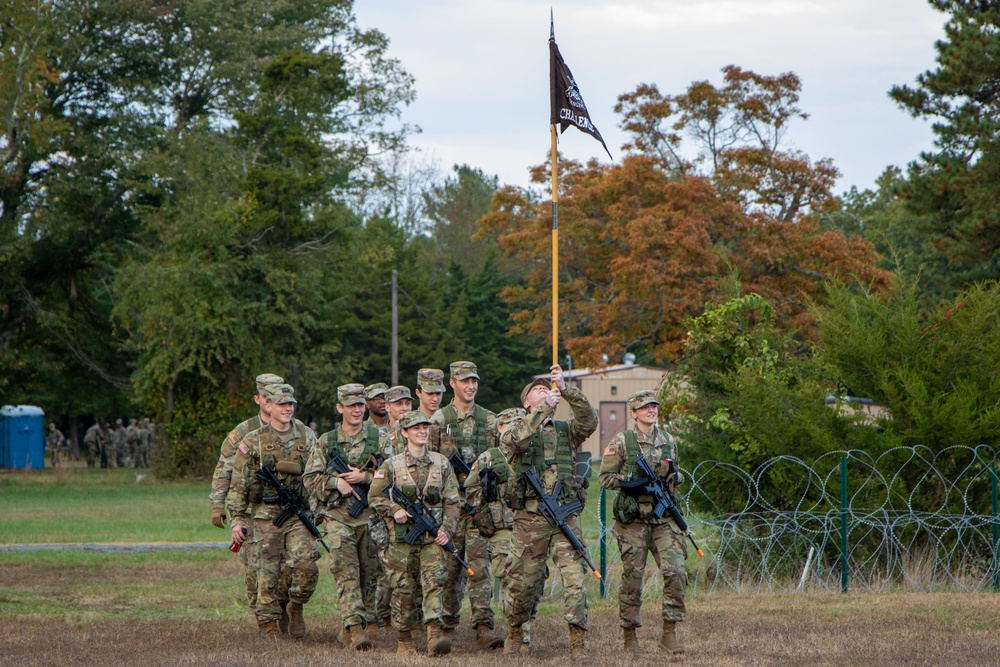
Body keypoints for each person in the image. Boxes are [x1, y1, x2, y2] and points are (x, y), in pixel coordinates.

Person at [500, 364, 598, 658]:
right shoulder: (517, 427)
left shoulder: (567, 431)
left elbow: (589, 421)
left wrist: (566, 390)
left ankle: (577, 641)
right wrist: (542, 410)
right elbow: (514, 441)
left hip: (564, 517)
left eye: (547, 388)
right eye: (537, 390)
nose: (544, 391)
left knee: (575, 582)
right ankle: (516, 630)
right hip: (531, 520)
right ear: (527, 403)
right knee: (523, 585)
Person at [227, 383, 321, 639]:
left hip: (298, 513)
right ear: (269, 406)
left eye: (291, 404)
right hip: (264, 515)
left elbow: (317, 475)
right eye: (282, 404)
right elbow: (239, 484)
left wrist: (318, 508)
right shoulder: (253, 440)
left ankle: (295, 604)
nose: (287, 409)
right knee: (266, 572)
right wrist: (237, 519)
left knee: (306, 565)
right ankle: (269, 627)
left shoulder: (307, 436)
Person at [599, 390, 687, 655]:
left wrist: (672, 476)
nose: (652, 410)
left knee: (676, 571)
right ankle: (630, 636)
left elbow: (678, 474)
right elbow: (604, 478)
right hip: (633, 521)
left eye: (654, 406)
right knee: (632, 578)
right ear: (634, 412)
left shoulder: (668, 440)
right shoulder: (622, 441)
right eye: (646, 407)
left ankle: (669, 634)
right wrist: (631, 484)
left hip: (663, 519)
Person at [303, 383, 390, 651]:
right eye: (351, 406)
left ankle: (351, 626)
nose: (356, 410)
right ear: (340, 407)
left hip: (371, 518)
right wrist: (334, 483)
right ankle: (354, 629)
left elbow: (394, 474)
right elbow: (309, 479)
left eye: (360, 405)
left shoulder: (380, 439)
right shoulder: (327, 441)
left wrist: (365, 477)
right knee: (346, 571)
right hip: (338, 516)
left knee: (369, 574)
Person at [369, 410, 461, 656]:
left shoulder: (442, 463)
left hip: (433, 538)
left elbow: (452, 502)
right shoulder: (390, 465)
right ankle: (404, 639)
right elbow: (374, 497)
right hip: (402, 540)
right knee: (403, 589)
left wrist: (447, 530)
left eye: (425, 427)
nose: (422, 431)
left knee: (434, 584)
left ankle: (433, 635)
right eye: (416, 428)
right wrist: (394, 508)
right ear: (404, 433)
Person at [428, 360, 503, 649]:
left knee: (480, 569)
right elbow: (429, 463)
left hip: (480, 510)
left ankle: (483, 627)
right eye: (464, 381)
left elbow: (500, 461)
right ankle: (444, 626)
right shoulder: (438, 421)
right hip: (448, 509)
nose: (470, 386)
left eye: (474, 381)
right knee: (447, 570)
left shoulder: (490, 421)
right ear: (452, 384)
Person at [209, 373, 285, 620]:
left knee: (285, 565)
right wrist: (218, 505)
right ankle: (261, 614)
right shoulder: (244, 431)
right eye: (266, 397)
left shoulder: (291, 428)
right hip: (250, 507)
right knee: (254, 566)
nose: (270, 401)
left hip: (282, 510)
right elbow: (225, 468)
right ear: (258, 398)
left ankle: (285, 611)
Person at [464, 407, 535, 651]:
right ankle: (514, 635)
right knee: (504, 579)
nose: (516, 430)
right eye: (510, 425)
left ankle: (521, 631)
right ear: (500, 429)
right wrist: (482, 516)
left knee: (524, 582)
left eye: (520, 424)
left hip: (526, 526)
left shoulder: (531, 456)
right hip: (497, 529)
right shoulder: (489, 457)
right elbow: (469, 490)